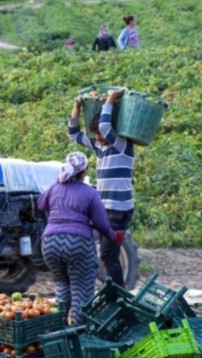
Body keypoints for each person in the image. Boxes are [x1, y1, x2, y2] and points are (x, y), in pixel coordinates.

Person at [38, 151, 124, 326]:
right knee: (81, 288)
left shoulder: (55, 188)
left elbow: (41, 203)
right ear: (84, 171)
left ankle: (58, 327)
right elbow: (101, 223)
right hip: (76, 244)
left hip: (49, 244)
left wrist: (57, 183)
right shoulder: (89, 192)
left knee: (62, 284)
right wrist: (114, 236)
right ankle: (78, 332)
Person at [68, 90, 135, 289]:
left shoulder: (122, 145)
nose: (98, 136)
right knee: (108, 254)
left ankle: (119, 294)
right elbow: (73, 134)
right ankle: (117, 292)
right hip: (107, 209)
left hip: (118, 209)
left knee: (108, 254)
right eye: (95, 133)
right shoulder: (100, 147)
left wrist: (110, 99)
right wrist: (77, 106)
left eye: (100, 133)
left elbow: (105, 126)